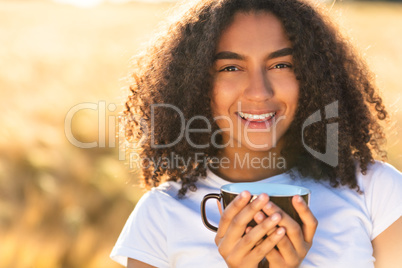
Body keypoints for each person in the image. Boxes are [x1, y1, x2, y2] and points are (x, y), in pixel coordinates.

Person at [110, 0, 402, 267]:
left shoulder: (377, 191)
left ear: (314, 77)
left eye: (281, 65)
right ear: (195, 84)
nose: (259, 92)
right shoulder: (160, 215)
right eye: (231, 67)